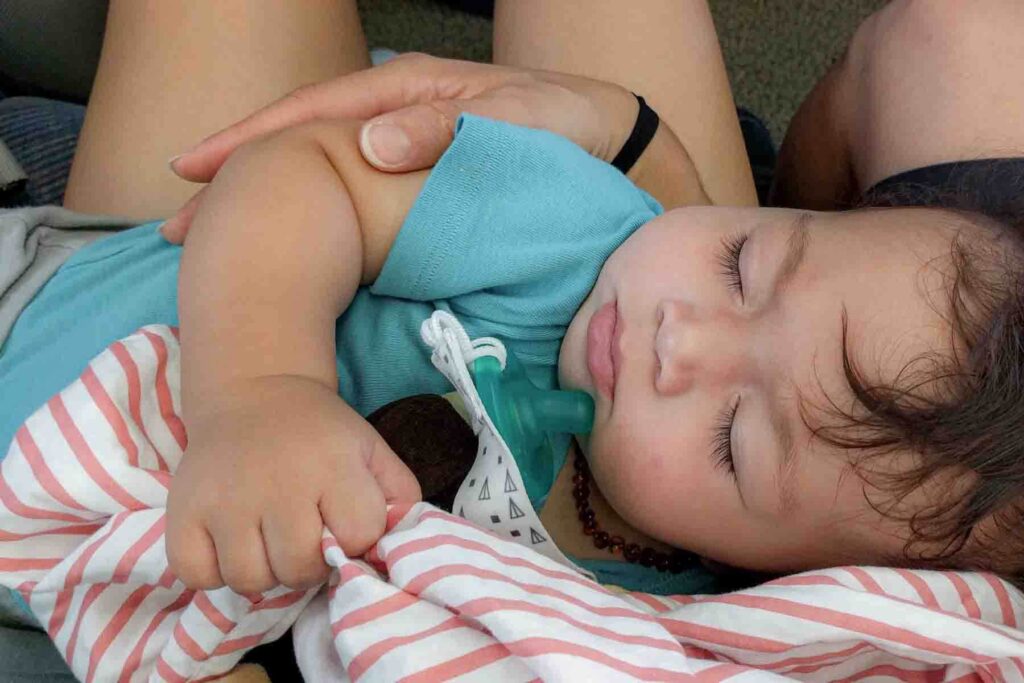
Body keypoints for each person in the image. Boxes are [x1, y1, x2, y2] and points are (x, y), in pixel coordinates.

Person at [3, 0, 1024, 622]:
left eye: (731, 435)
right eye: (747, 262)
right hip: (61, 300)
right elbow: (298, 173)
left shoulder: (656, 622)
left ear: (782, 575)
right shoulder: (575, 239)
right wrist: (261, 390)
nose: (681, 336)